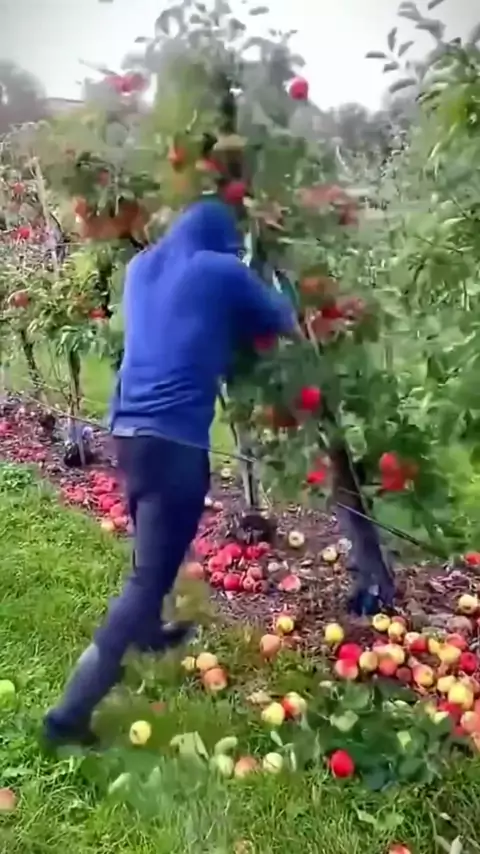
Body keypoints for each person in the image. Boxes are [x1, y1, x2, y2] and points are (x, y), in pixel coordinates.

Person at [44, 197, 298, 746]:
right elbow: (283, 318)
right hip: (175, 440)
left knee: (155, 544)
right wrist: (280, 274)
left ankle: (150, 628)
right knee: (148, 578)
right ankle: (68, 715)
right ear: (224, 241)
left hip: (127, 432)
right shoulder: (222, 269)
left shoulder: (141, 267)